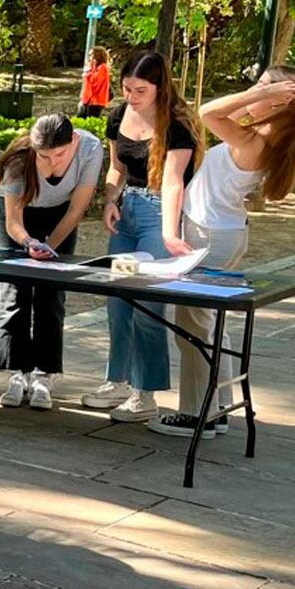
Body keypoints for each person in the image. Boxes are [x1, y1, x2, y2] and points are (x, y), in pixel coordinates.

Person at [148, 66, 295, 438]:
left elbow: (207, 112)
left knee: (194, 328)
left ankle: (198, 415)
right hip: (222, 231)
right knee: (211, 325)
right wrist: (266, 96)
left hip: (209, 236)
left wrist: (262, 95)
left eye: (264, 85)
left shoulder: (256, 140)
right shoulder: (267, 135)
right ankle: (218, 407)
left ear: (283, 100)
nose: (254, 90)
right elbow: (221, 114)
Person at [85, 51, 199, 422]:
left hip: (157, 213)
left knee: (146, 306)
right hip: (127, 210)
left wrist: (169, 231)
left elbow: (172, 181)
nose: (132, 96)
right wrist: (110, 199)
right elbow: (117, 167)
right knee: (117, 302)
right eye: (127, 88)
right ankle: (116, 380)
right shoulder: (119, 115)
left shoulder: (177, 125)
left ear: (160, 87)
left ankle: (145, 392)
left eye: (141, 90)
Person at [0, 114, 104, 409]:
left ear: (74, 142)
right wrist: (30, 243)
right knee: (14, 289)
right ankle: (17, 373)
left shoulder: (90, 149)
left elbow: (76, 210)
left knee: (50, 291)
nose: (53, 162)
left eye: (60, 154)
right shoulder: (18, 160)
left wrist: (48, 250)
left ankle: (45, 374)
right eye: (44, 156)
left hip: (61, 215)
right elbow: (13, 222)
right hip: (20, 219)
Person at [79, 46, 112, 118]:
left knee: (91, 119)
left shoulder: (103, 67)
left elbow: (94, 81)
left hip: (96, 100)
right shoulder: (95, 67)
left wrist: (88, 72)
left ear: (97, 55)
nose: (90, 57)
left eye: (91, 55)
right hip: (89, 99)